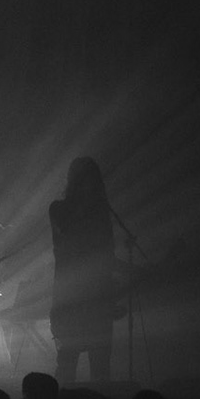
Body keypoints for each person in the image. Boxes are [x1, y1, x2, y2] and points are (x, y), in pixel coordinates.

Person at [49, 156, 116, 384]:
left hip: (98, 304)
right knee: (67, 368)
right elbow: (70, 240)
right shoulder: (58, 209)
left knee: (101, 370)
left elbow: (106, 257)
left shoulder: (101, 214)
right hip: (70, 304)